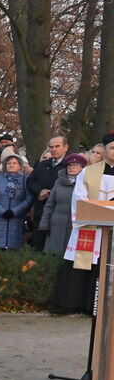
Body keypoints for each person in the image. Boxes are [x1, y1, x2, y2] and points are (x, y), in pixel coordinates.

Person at [53, 134, 114, 315]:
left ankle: (105, 308)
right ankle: (76, 305)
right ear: (104, 150)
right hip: (90, 228)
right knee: (83, 265)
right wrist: (92, 216)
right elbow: (79, 198)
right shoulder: (88, 172)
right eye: (112, 147)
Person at [39, 153, 86, 261]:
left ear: (82, 167)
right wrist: (44, 223)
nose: (71, 167)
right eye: (69, 165)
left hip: (75, 226)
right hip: (56, 226)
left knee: (70, 258)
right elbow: (49, 205)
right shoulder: (59, 182)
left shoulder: (85, 183)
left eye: (75, 165)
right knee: (53, 257)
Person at [27, 135, 69, 250]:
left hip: (60, 212)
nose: (54, 149)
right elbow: (31, 181)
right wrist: (39, 191)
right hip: (41, 209)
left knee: (57, 247)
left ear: (65, 147)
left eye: (57, 146)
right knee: (39, 245)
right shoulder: (42, 164)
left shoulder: (70, 165)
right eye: (51, 147)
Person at [0, 154, 33, 250]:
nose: (11, 165)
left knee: (14, 250)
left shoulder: (25, 180)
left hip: (16, 219)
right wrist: (2, 211)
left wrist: (14, 211)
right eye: (9, 163)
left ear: (20, 166)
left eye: (14, 163)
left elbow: (28, 199)